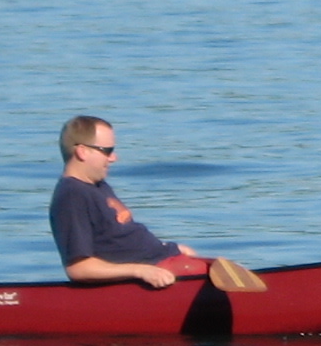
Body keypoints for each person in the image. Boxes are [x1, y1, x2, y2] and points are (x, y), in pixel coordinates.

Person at [50, 115, 212, 289]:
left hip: (166, 262)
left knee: (227, 271)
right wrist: (141, 271)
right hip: (152, 276)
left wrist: (173, 249)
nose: (113, 158)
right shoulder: (73, 195)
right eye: (107, 150)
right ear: (82, 151)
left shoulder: (97, 186)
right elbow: (79, 268)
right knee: (222, 282)